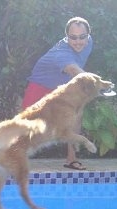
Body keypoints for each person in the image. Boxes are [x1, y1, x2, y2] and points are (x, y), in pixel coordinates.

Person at [22, 16, 93, 170]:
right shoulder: (62, 53)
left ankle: (71, 158)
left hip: (61, 88)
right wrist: (95, 84)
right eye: (73, 37)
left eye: (82, 37)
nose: (78, 41)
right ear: (67, 37)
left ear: (88, 35)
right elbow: (75, 71)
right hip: (40, 86)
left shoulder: (89, 43)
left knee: (77, 115)